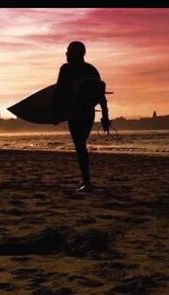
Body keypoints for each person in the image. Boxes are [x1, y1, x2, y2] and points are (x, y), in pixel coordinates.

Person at [52, 41, 111, 191]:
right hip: (88, 113)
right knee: (81, 144)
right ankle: (86, 180)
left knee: (80, 145)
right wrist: (105, 116)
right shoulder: (92, 70)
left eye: (68, 51)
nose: (66, 54)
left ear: (76, 53)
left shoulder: (66, 69)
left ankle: (86, 181)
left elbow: (60, 93)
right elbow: (101, 95)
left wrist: (55, 114)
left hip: (75, 111)